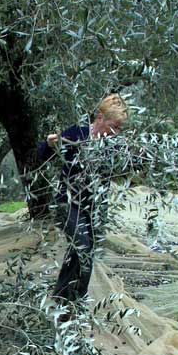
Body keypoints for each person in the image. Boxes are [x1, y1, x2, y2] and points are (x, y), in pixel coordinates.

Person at [37, 93, 128, 307]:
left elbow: (120, 172)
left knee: (88, 252)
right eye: (113, 126)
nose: (114, 133)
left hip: (94, 208)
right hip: (67, 203)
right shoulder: (76, 133)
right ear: (100, 117)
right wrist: (49, 144)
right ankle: (62, 300)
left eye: (118, 129)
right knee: (82, 245)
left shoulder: (112, 146)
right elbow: (43, 156)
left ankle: (75, 302)